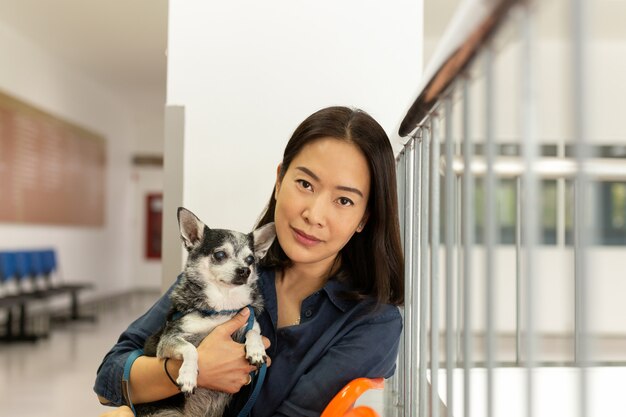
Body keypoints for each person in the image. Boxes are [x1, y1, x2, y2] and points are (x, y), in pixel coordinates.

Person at [94, 106, 405, 417]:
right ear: (280, 180)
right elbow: (110, 378)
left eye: (344, 200)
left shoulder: (373, 322)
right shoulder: (218, 277)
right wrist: (189, 370)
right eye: (305, 184)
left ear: (364, 217)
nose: (314, 214)